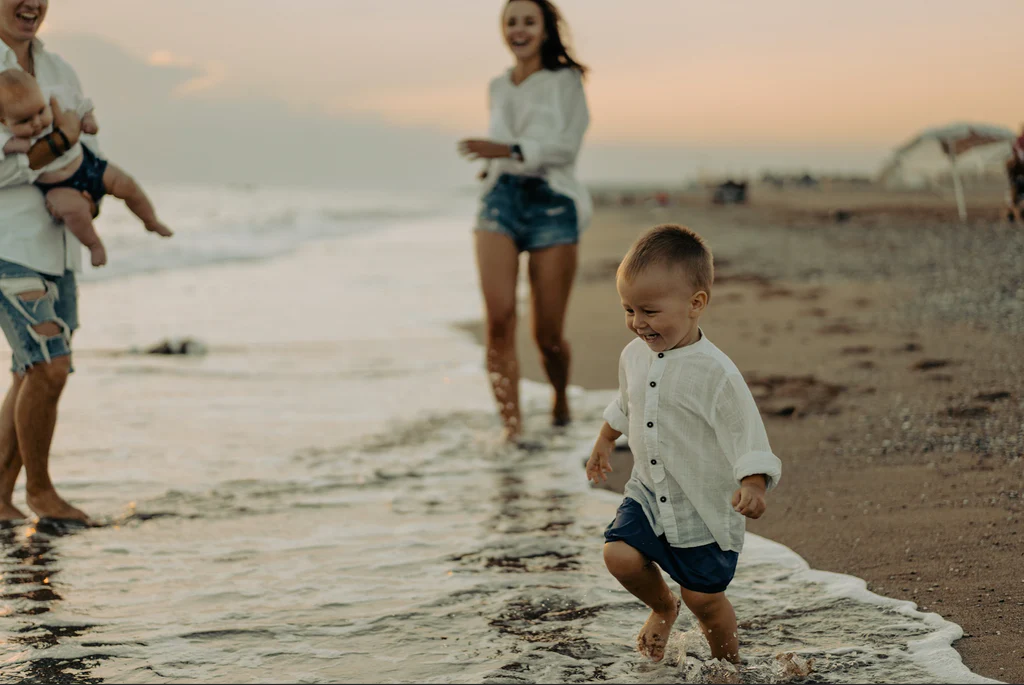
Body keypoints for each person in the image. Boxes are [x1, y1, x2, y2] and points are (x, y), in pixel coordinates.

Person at [586, 224, 783, 664]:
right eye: (629, 309)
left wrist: (753, 484)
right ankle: (661, 606)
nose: (638, 323)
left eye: (650, 311)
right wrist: (604, 439)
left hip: (704, 507)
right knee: (618, 554)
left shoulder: (716, 373)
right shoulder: (632, 355)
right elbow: (626, 402)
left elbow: (746, 432)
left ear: (696, 304)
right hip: (649, 491)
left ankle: (727, 666)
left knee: (705, 601)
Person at [0, 0, 124, 523]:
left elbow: (84, 159)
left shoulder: (59, 69)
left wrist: (89, 194)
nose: (31, 3)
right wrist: (60, 145)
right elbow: (48, 156)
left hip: (58, 248)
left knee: (34, 372)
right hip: (8, 246)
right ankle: (41, 493)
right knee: (48, 366)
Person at [457, 0, 591, 442]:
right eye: (510, 21)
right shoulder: (497, 85)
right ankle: (511, 430)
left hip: (552, 202)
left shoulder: (566, 81)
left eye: (528, 21)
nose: (519, 29)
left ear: (546, 29)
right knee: (498, 318)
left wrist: (507, 150)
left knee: (548, 336)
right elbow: (499, 141)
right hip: (500, 200)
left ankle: (560, 398)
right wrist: (492, 165)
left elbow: (565, 147)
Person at [0, 69, 172, 268]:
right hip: (58, 186)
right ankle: (94, 245)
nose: (37, 123)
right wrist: (8, 146)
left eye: (40, 112)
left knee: (127, 185)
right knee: (73, 211)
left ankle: (150, 220)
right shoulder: (4, 133)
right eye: (24, 121)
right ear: (4, 121)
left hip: (86, 164)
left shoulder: (53, 96)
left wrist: (88, 119)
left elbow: (81, 104)